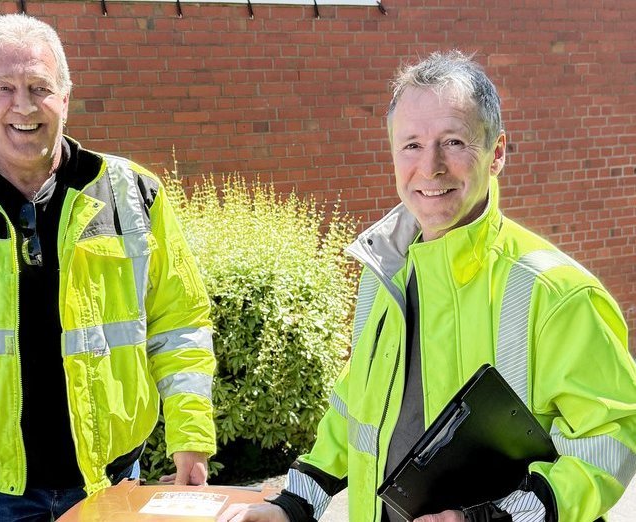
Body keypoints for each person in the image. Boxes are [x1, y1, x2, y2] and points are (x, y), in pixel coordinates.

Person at [218, 50, 636, 522]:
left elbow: (609, 438)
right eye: (411, 145)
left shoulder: (557, 291)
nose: (431, 166)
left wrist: (491, 519)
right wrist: (293, 504)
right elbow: (358, 407)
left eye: (454, 142)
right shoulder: (386, 273)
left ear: (496, 152)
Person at [0, 13, 216, 522]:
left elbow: (179, 321)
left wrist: (191, 435)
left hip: (113, 483)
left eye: (40, 87)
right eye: (4, 88)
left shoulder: (132, 193)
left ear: (66, 97)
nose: (24, 105)